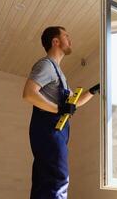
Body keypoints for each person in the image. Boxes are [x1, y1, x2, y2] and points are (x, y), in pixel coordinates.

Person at [22, 26, 100, 199]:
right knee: (57, 181)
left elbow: (73, 102)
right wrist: (59, 109)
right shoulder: (46, 65)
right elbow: (29, 94)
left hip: (55, 134)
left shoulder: (59, 74)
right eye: (66, 36)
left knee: (47, 182)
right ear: (55, 41)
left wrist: (95, 90)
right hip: (49, 132)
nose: (70, 40)